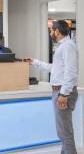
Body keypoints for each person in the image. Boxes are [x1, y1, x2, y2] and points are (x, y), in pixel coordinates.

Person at [25, 20, 78, 154]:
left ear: (57, 31)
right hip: (59, 91)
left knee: (65, 132)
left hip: (62, 92)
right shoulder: (62, 46)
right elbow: (55, 68)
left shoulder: (68, 46)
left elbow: (71, 72)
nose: (50, 33)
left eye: (51, 30)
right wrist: (35, 62)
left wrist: (64, 94)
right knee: (63, 131)